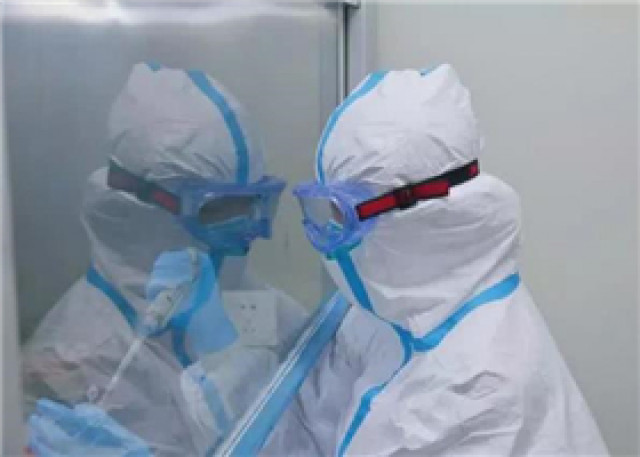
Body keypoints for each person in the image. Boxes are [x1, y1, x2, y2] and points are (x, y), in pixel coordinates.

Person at [263, 64, 609, 456]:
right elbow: (320, 413)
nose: (331, 236)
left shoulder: (479, 384)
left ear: (418, 216)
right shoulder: (406, 310)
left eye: (343, 214)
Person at [23, 62, 307, 456]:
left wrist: (223, 353)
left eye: (254, 206)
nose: (245, 235)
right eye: (219, 210)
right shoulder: (71, 356)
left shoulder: (274, 314)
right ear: (138, 209)